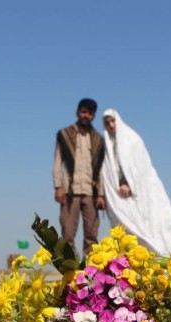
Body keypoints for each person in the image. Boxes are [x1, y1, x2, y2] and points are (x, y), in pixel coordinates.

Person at [101, 108, 171, 257]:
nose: (111, 125)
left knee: (158, 222)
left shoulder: (132, 140)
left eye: (113, 121)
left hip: (142, 193)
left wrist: (130, 186)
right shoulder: (108, 147)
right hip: (123, 198)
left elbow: (142, 168)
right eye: (107, 123)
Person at [53, 99, 106, 257]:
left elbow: (102, 169)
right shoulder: (65, 134)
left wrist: (101, 194)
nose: (86, 116)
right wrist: (58, 186)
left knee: (91, 236)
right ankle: (70, 272)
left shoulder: (98, 139)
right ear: (77, 112)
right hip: (70, 191)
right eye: (84, 112)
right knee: (68, 235)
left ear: (93, 116)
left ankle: (88, 274)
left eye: (90, 113)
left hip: (92, 192)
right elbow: (57, 162)